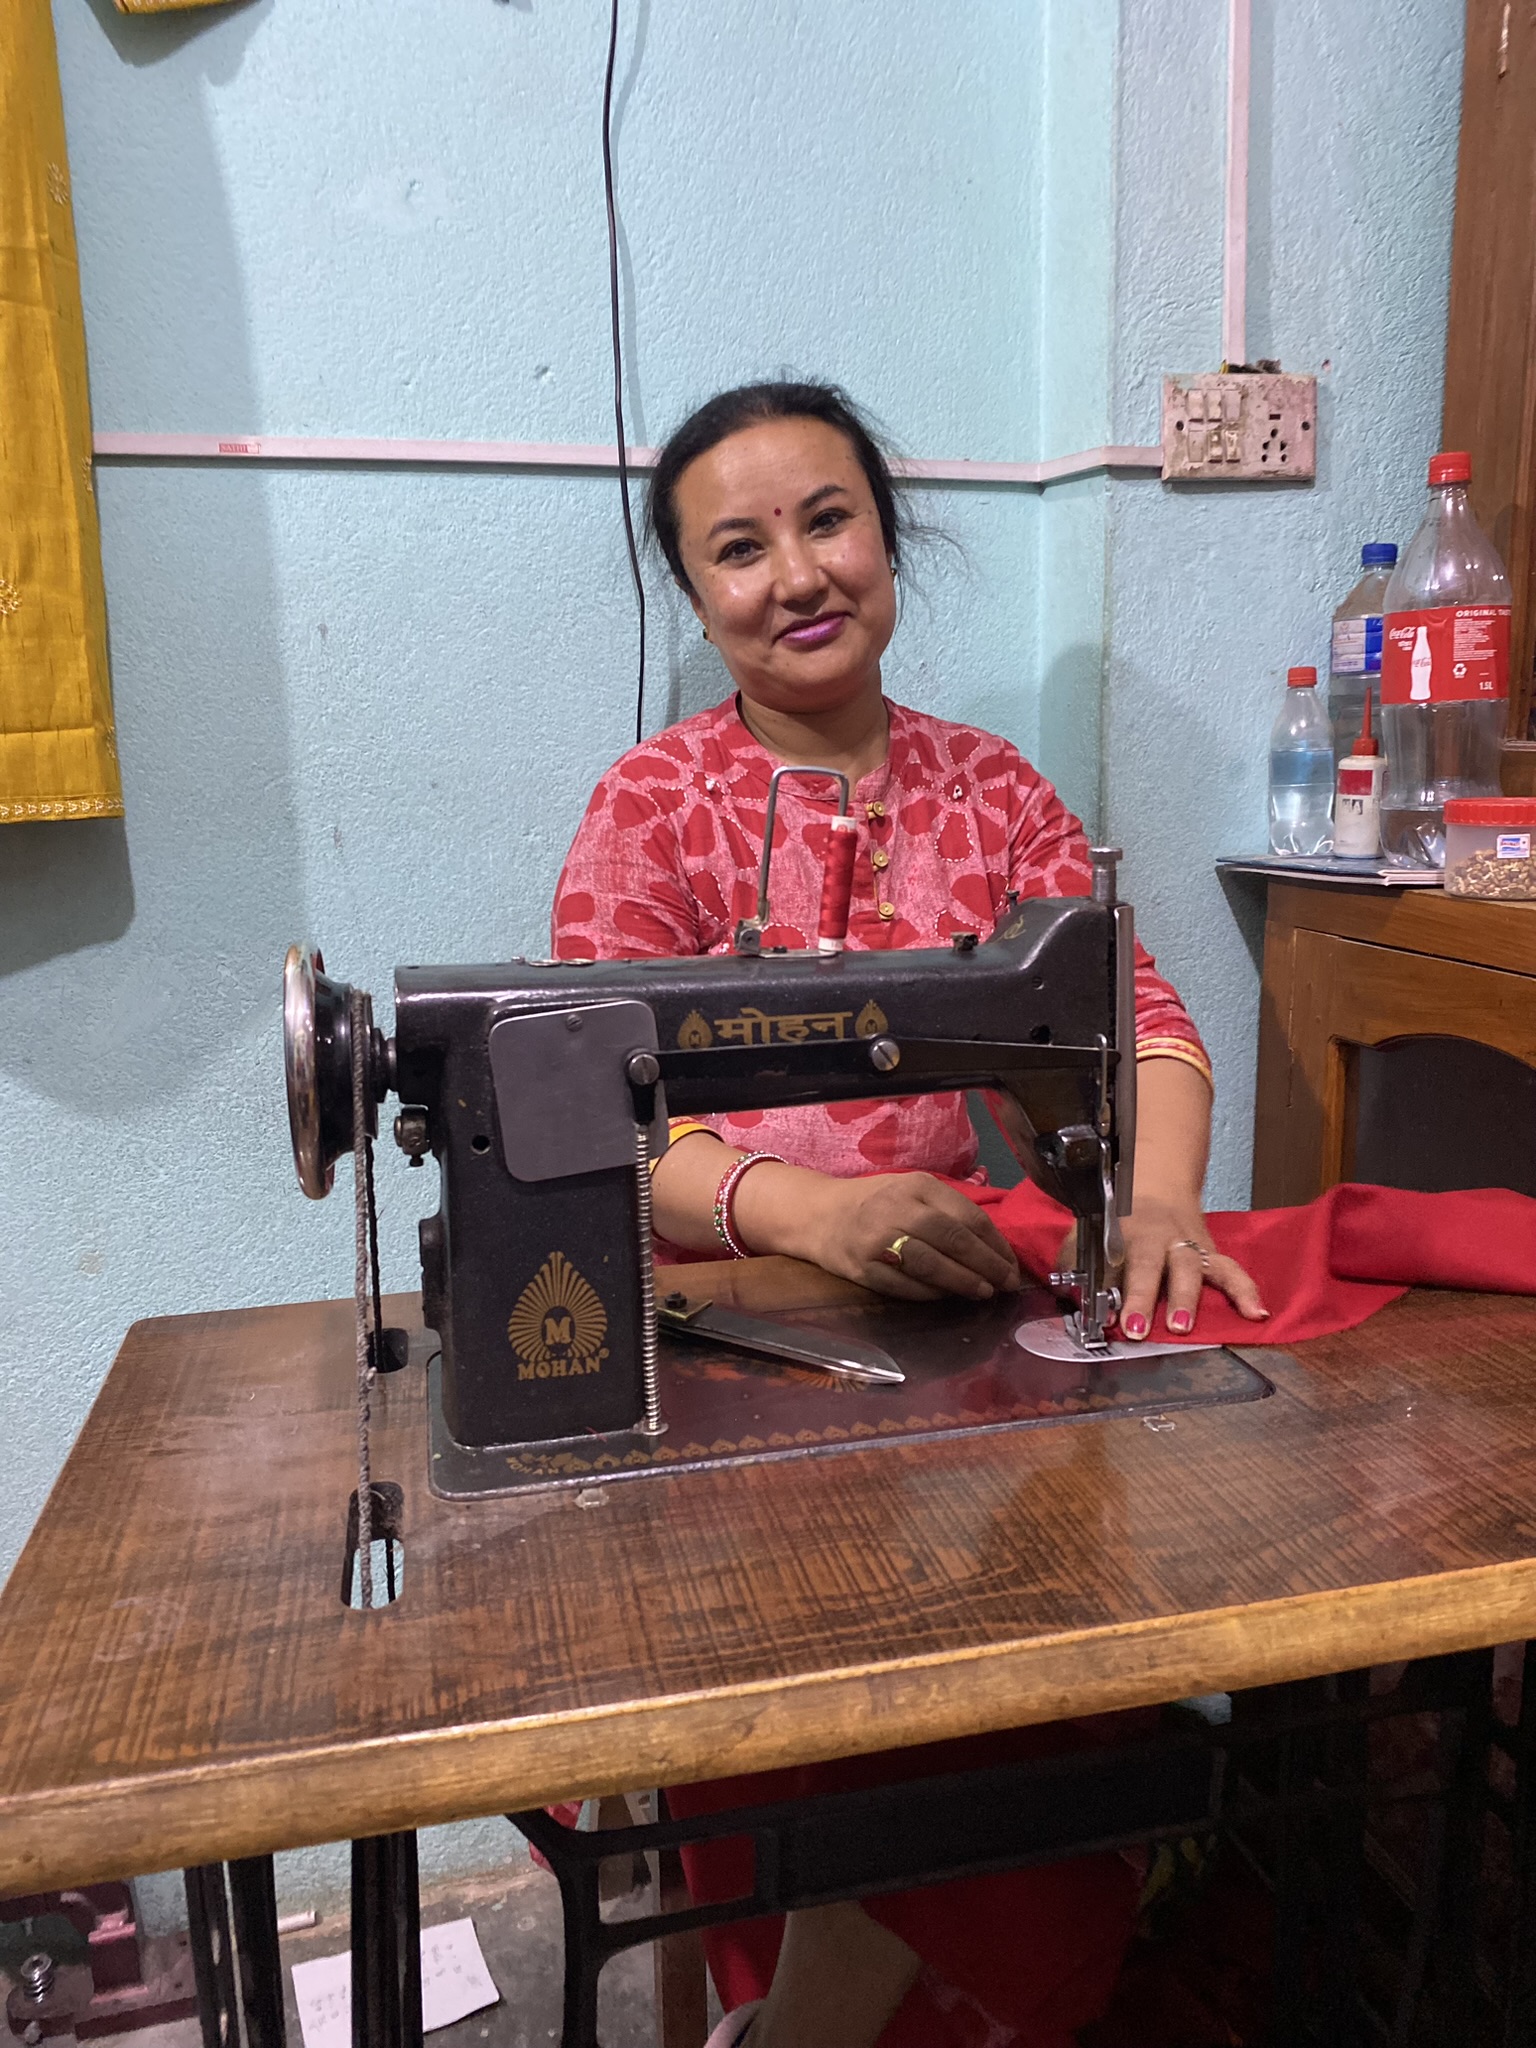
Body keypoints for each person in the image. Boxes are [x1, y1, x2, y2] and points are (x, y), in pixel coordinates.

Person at [551, 382, 1266, 2048]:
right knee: (875, 1690)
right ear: (694, 592)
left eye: (827, 522)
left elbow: (1138, 1023)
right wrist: (807, 1214)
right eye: (739, 548)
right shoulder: (651, 810)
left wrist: (1155, 1195)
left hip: (942, 1341)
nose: (796, 574)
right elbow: (586, 1113)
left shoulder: (994, 797)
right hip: (721, 1346)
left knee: (1030, 1652)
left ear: (888, 540)